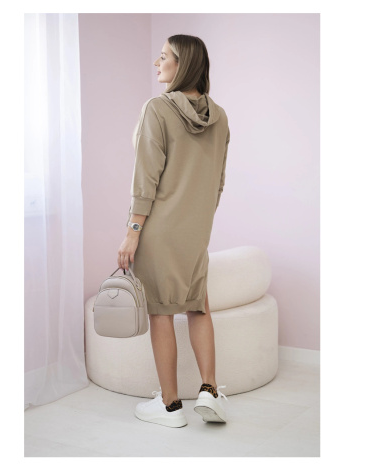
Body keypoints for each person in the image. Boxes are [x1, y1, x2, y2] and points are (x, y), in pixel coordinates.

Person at [117, 34, 230, 427]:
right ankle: (210, 390)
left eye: (163, 56)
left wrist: (133, 230)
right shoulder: (220, 117)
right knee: (198, 306)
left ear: (182, 64)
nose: (157, 63)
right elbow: (218, 182)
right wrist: (198, 222)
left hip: (159, 229)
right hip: (196, 231)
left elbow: (145, 178)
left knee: (161, 312)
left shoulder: (158, 108)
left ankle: (169, 407)